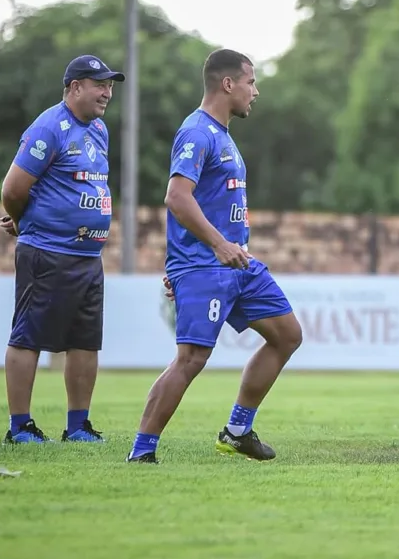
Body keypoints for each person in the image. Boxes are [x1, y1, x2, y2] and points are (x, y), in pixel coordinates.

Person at [127, 48, 303, 464]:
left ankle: (237, 431)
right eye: (250, 82)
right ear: (228, 84)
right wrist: (211, 249)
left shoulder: (223, 135)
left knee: (288, 335)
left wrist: (232, 245)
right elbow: (176, 197)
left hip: (239, 264)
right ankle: (142, 451)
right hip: (209, 265)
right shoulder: (197, 132)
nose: (255, 91)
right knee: (191, 360)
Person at [0, 54, 125, 444]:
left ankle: (78, 426)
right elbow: (13, 189)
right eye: (99, 84)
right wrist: (24, 222)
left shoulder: (99, 130)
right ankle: (20, 426)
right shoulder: (49, 127)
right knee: (28, 337)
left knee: (85, 340)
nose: (107, 92)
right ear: (74, 88)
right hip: (47, 252)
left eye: (110, 85)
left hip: (88, 256)